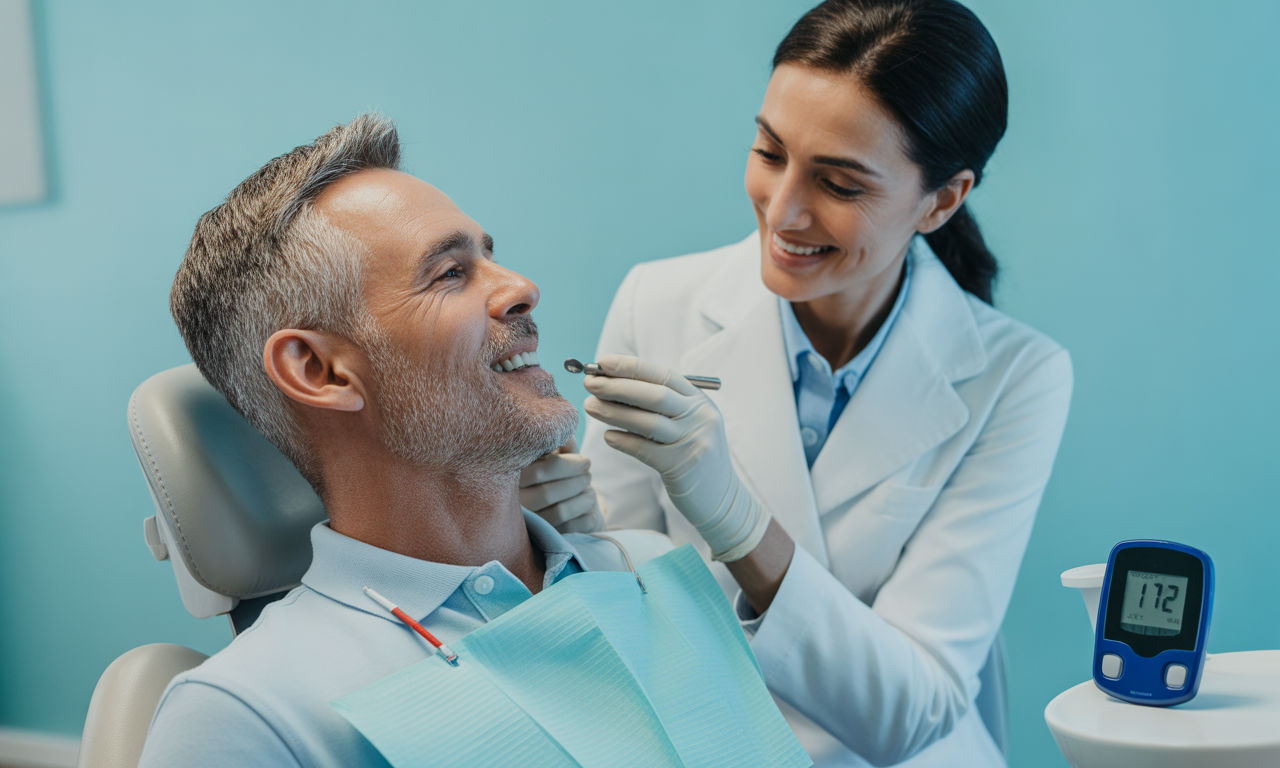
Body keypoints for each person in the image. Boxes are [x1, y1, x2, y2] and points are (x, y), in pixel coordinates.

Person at [520, 1, 1073, 766]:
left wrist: (737, 522)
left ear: (942, 200)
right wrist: (574, 532)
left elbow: (915, 710)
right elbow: (622, 611)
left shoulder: (1017, 378)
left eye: (840, 184)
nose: (781, 212)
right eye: (770, 152)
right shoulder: (658, 301)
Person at [138, 114, 676, 767]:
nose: (521, 288)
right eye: (451, 272)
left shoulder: (651, 573)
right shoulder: (248, 715)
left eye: (490, 255)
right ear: (321, 370)